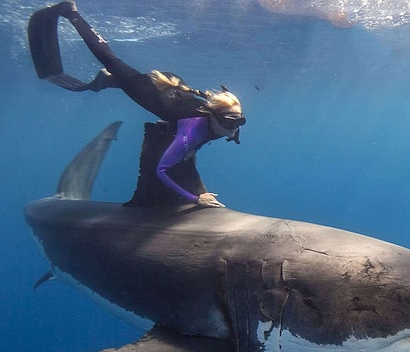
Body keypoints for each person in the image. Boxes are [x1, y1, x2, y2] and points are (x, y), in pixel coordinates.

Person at [28, 1, 246, 208]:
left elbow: (227, 119)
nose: (233, 127)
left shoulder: (223, 121)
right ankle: (72, 13)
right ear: (215, 117)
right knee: (111, 60)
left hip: (176, 89)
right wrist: (196, 198)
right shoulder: (192, 130)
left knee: (123, 79)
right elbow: (161, 170)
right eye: (229, 122)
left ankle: (108, 81)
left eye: (239, 122)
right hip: (151, 93)